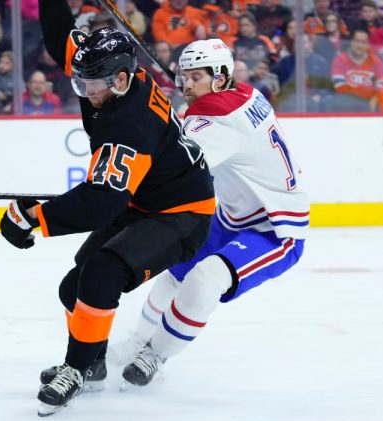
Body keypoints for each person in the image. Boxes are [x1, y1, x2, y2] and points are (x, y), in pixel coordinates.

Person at [0, 0, 216, 416]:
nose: (85, 91)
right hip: (144, 200)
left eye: (91, 84)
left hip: (182, 216)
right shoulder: (112, 76)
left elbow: (100, 203)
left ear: (119, 79)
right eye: (79, 83)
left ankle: (77, 371)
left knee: (102, 273)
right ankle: (93, 362)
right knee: (73, 289)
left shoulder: (128, 124)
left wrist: (31, 219)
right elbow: (62, 36)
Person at [107, 38, 309, 387]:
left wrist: (112, 187)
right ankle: (140, 339)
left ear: (219, 78)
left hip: (276, 231)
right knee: (176, 271)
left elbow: (174, 169)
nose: (186, 85)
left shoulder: (218, 119)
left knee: (205, 280)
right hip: (232, 216)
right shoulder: (245, 94)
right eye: (184, 76)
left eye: (195, 77)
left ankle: (155, 354)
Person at [329, 28, 383, 112]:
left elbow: (381, 88)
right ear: (351, 42)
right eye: (357, 41)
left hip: (370, 104)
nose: (359, 45)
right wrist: (363, 99)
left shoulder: (377, 62)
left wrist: (375, 98)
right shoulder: (340, 60)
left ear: (368, 45)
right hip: (346, 102)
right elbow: (340, 88)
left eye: (363, 42)